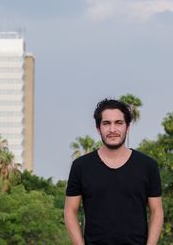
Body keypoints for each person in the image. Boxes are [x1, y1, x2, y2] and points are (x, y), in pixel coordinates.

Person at [64, 98, 164, 245]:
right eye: (106, 123)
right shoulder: (81, 166)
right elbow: (70, 211)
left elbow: (157, 211)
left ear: (127, 127)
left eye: (118, 123)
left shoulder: (147, 166)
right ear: (98, 128)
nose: (112, 130)